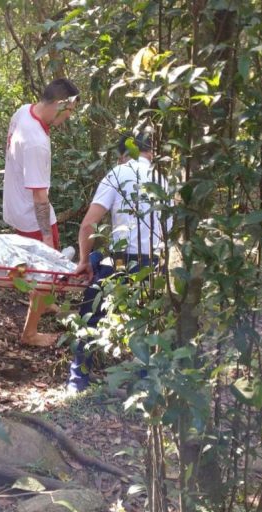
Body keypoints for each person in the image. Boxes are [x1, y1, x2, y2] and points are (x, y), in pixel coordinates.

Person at [67, 132, 170, 394]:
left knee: (90, 314)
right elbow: (168, 230)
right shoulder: (164, 181)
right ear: (151, 154)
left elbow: (89, 224)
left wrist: (83, 261)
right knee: (147, 322)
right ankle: (145, 386)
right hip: (153, 264)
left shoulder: (118, 173)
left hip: (122, 262)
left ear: (123, 155)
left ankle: (78, 380)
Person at [2, 78, 80, 346]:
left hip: (15, 204)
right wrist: (47, 238)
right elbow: (39, 196)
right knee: (46, 271)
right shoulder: (36, 142)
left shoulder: (24, 110)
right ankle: (30, 333)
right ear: (60, 105)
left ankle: (45, 305)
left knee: (41, 270)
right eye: (69, 111)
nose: (69, 117)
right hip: (31, 213)